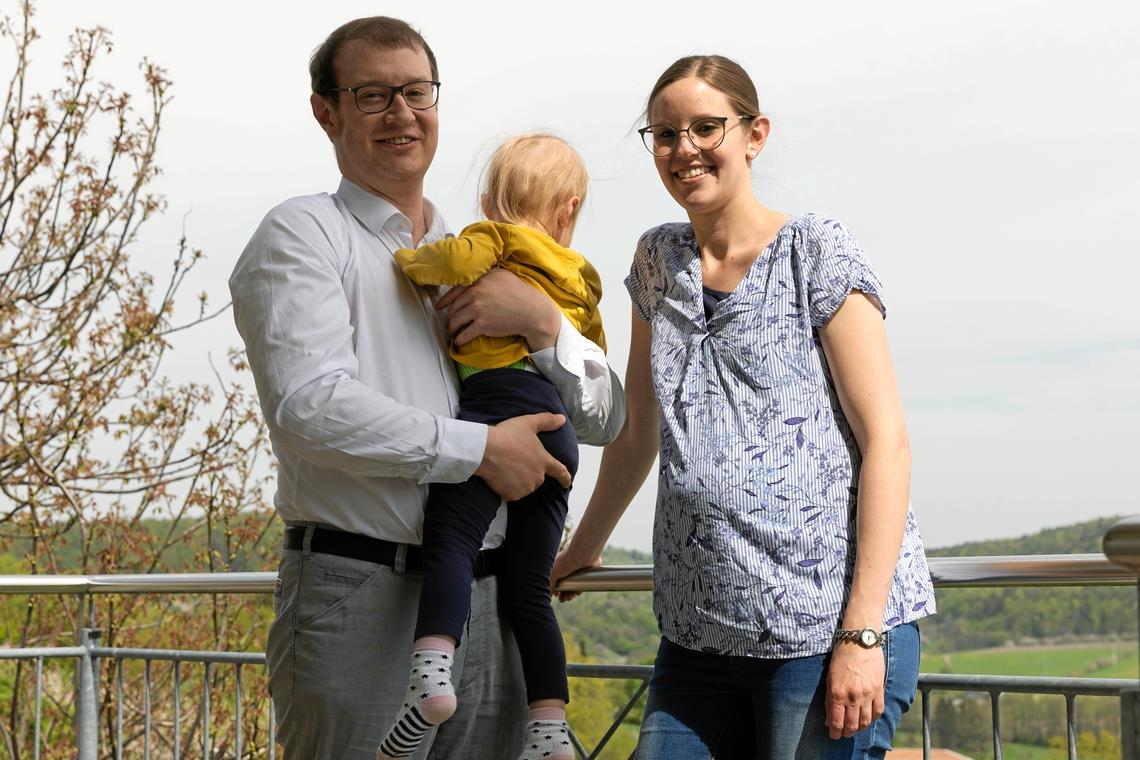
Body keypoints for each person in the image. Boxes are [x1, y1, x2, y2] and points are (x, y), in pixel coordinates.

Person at [229, 18, 624, 760]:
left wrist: (543, 323)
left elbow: (603, 420)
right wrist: (482, 452)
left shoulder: (484, 252)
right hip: (360, 594)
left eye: (416, 92)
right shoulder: (303, 233)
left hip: (497, 598)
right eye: (372, 94)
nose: (401, 113)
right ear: (326, 112)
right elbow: (309, 409)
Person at [550, 54, 936, 759]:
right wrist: (583, 547)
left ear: (754, 135)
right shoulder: (657, 261)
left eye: (705, 127)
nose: (683, 149)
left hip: (819, 633)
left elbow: (887, 442)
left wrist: (863, 632)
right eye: (664, 134)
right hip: (700, 631)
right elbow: (640, 432)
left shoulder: (814, 251)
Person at [377, 132, 602, 760]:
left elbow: (441, 266)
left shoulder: (493, 239)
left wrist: (405, 261)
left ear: (489, 195)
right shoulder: (581, 275)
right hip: (557, 429)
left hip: (499, 409)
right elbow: (596, 372)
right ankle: (550, 728)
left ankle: (429, 679)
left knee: (451, 540)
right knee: (529, 589)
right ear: (568, 211)